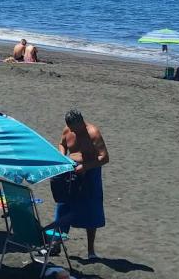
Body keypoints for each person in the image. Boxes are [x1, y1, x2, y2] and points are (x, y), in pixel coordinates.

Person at [56, 109, 109, 260]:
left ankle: (91, 251)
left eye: (74, 128)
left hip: (89, 172)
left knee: (91, 210)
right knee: (63, 206)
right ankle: (56, 244)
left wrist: (85, 167)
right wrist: (62, 155)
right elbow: (62, 143)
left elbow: (104, 157)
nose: (72, 131)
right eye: (70, 128)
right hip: (70, 172)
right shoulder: (68, 129)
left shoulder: (93, 133)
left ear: (81, 122)